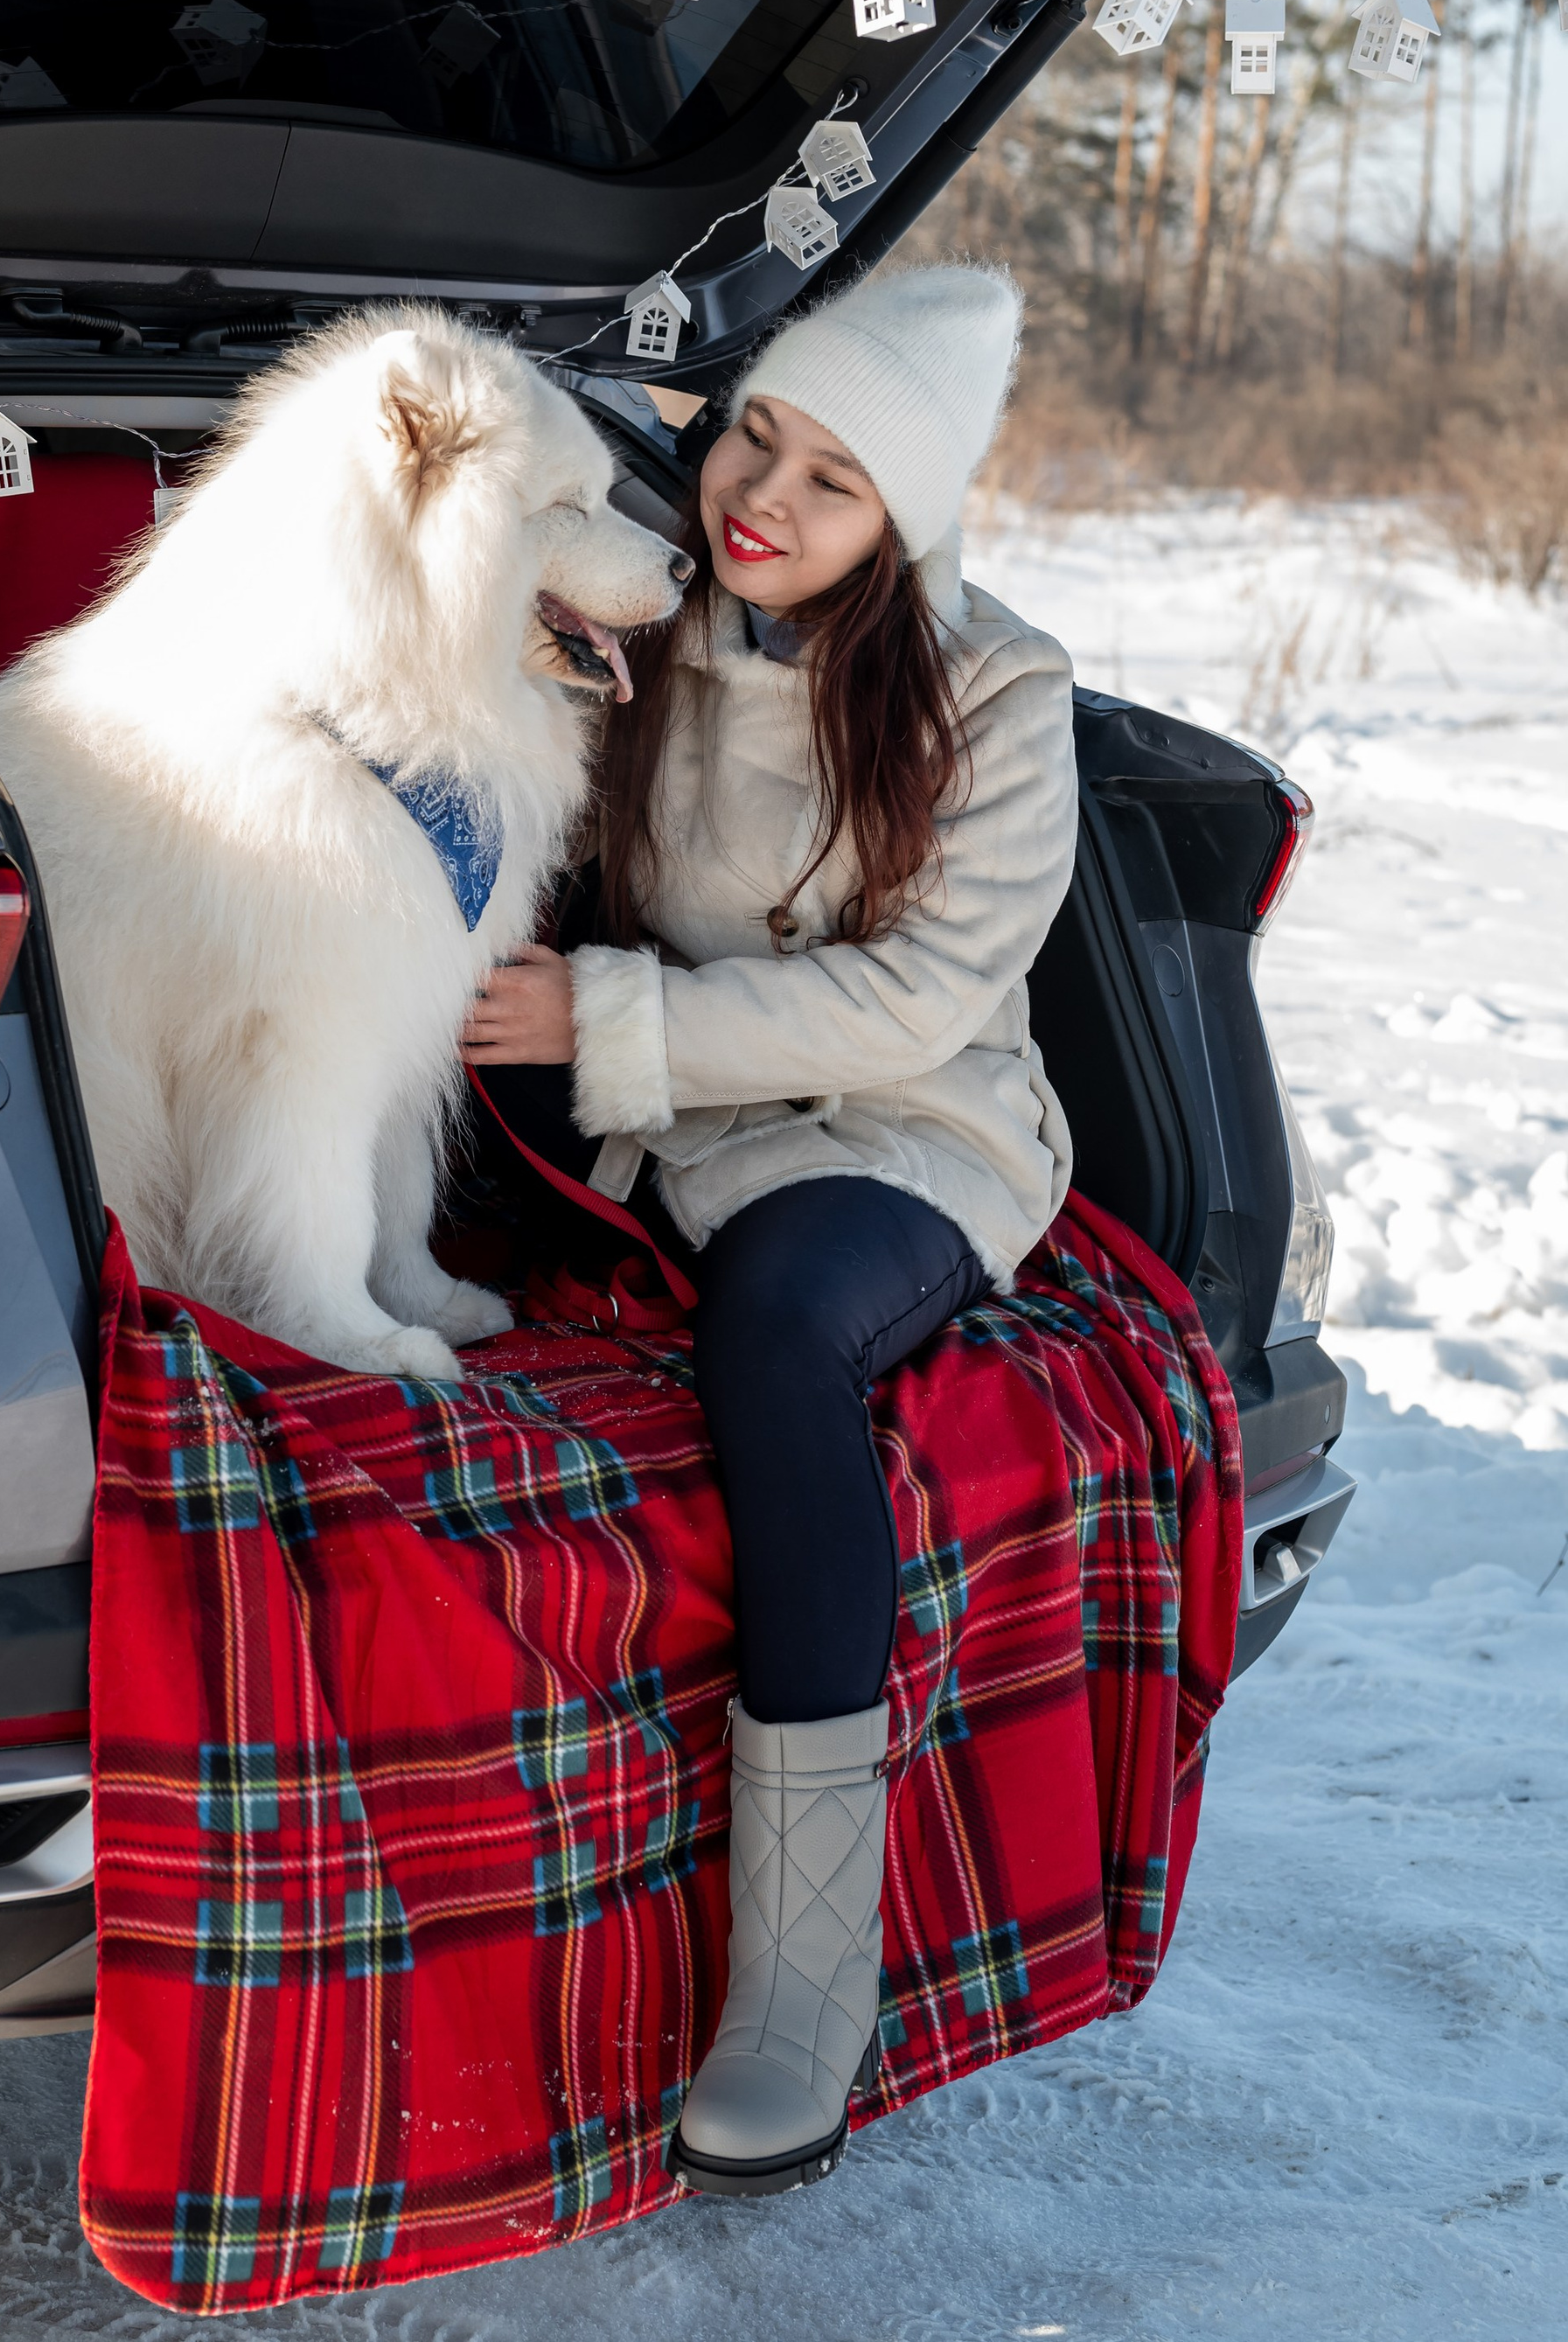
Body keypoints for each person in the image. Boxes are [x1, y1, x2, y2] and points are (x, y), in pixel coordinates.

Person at [461, 261, 1078, 2198]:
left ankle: (803, 1977)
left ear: (907, 519)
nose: (762, 498)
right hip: (662, 1116)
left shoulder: (995, 690)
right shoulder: (628, 627)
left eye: (829, 481)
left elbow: (917, 1004)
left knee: (777, 1333)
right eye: (756, 436)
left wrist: (607, 1024)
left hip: (899, 1131)